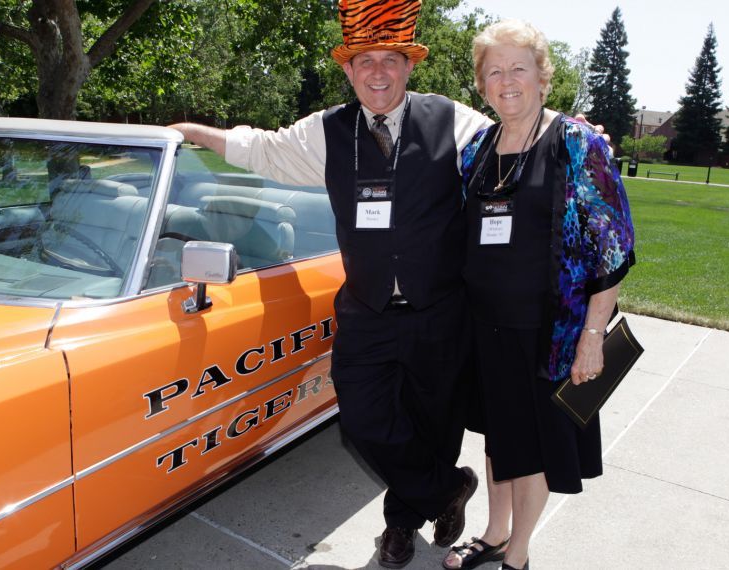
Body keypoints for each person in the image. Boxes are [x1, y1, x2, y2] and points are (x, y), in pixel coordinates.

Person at [169, 1, 494, 567]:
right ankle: (446, 489)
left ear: (409, 65)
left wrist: (572, 138)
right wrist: (190, 130)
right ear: (348, 69)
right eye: (365, 60)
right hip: (368, 311)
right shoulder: (328, 130)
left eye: (389, 59)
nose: (377, 72)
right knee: (364, 420)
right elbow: (262, 150)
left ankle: (401, 521)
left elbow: (514, 148)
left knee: (435, 421)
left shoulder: (454, 121)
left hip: (441, 310)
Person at [441, 19, 635, 570]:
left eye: (518, 68)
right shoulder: (478, 149)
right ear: (481, 84)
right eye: (494, 71)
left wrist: (593, 336)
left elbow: (614, 246)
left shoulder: (577, 143)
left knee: (535, 449)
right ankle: (494, 533)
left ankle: (518, 554)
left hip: (551, 332)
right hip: (485, 326)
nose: (506, 81)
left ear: (542, 77)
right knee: (498, 437)